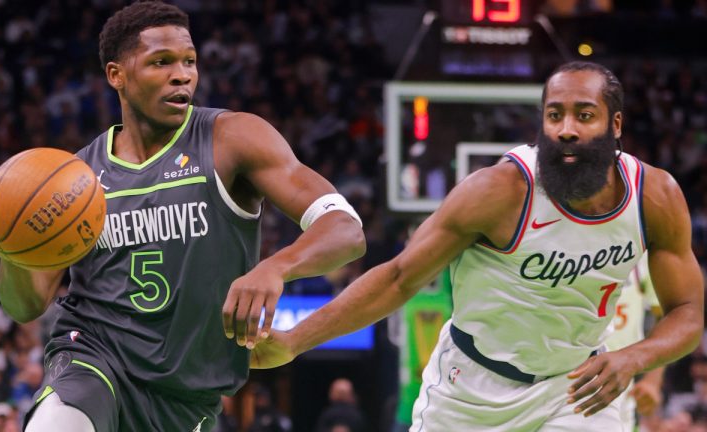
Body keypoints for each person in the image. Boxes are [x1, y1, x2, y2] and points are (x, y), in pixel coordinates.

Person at [0, 2, 365, 431]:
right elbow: (25, 307)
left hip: (185, 394)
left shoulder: (231, 139)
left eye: (189, 61)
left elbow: (345, 229)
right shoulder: (74, 182)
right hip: (95, 358)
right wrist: (13, 251)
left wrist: (276, 266)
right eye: (161, 62)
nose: (183, 75)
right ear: (116, 75)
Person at [251, 61, 704, 431]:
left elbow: (687, 310)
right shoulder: (499, 191)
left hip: (574, 388)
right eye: (554, 115)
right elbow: (398, 277)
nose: (566, 129)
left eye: (584, 115)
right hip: (471, 391)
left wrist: (633, 357)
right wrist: (294, 341)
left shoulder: (654, 196)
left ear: (615, 124)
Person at [604, 251, 665, 431]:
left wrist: (653, 380)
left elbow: (668, 315)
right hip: (561, 376)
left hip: (621, 390)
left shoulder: (642, 250)